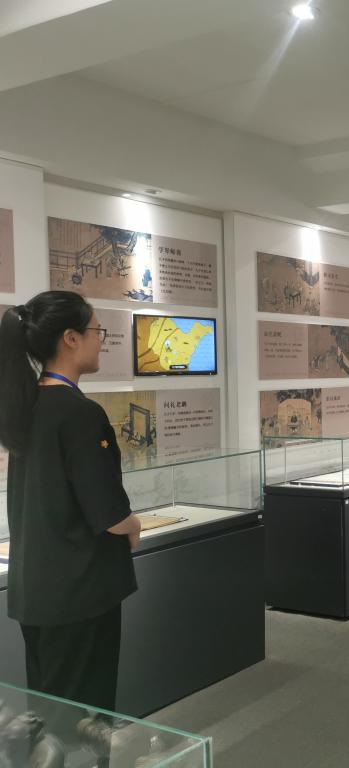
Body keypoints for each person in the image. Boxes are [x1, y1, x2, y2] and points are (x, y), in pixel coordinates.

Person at [0, 291, 141, 713]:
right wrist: (133, 525)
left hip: (38, 590)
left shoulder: (28, 407)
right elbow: (109, 514)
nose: (101, 341)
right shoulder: (79, 413)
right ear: (71, 338)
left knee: (49, 717)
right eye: (97, 330)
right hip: (79, 593)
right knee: (84, 719)